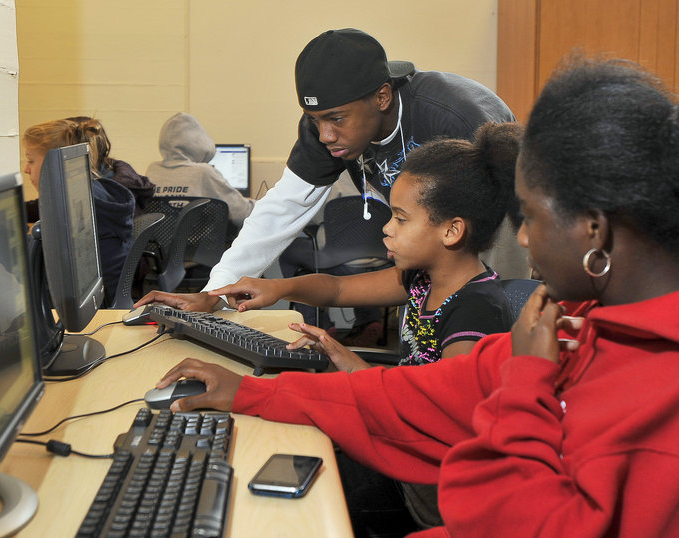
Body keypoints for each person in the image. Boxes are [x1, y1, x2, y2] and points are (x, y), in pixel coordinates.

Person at [148, 55, 679, 538]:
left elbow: (499, 519)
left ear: (594, 231)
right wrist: (255, 394)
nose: (521, 240)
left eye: (533, 218)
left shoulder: (652, 405)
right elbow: (423, 394)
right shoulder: (568, 328)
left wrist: (526, 386)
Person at [135, 28, 524, 317]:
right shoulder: (326, 130)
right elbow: (281, 209)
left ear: (382, 97)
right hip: (428, 244)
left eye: (336, 118)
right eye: (315, 119)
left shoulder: (454, 115)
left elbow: (515, 221)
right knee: (423, 316)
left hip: (500, 216)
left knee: (488, 312)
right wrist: (215, 292)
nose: (325, 135)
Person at [213, 121, 520, 374]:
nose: (387, 228)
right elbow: (336, 290)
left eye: (400, 218)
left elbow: (444, 412)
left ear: (451, 231)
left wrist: (354, 366)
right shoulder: (422, 280)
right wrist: (278, 288)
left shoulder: (476, 310)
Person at [23, 117, 135, 306]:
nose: (26, 169)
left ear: (54, 163)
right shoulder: (94, 193)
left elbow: (39, 275)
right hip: (108, 299)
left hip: (98, 309)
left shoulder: (73, 212)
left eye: (31, 160)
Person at [25, 116, 155, 221]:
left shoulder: (96, 204)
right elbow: (43, 208)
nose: (26, 169)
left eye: (30, 160)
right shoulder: (110, 182)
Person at [147, 112, 255, 228]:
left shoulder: (153, 170)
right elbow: (242, 213)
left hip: (157, 245)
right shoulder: (203, 172)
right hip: (197, 244)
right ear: (199, 143)